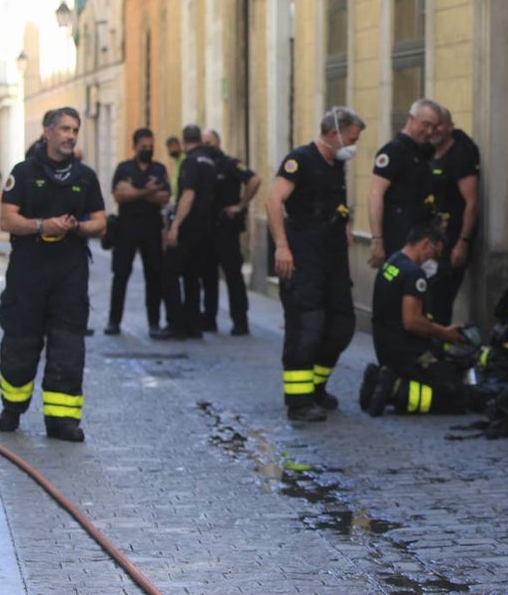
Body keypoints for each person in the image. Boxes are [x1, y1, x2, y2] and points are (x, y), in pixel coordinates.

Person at [0, 107, 107, 442]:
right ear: (48, 132)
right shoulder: (24, 173)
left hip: (69, 277)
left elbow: (101, 222)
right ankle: (12, 408)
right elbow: (7, 220)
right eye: (65, 129)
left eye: (75, 130)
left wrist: (77, 227)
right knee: (19, 343)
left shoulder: (85, 177)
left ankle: (62, 420)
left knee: (68, 348)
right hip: (28, 276)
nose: (71, 135)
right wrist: (43, 225)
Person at [265, 106, 365, 422]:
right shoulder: (300, 160)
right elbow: (273, 200)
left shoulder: (336, 164)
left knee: (342, 324)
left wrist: (345, 224)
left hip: (332, 255)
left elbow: (335, 201)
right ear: (334, 133)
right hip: (302, 252)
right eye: (352, 138)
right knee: (307, 326)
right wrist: (281, 246)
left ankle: (316, 387)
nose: (354, 145)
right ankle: (299, 402)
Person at [362, 224, 469, 417]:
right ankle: (394, 389)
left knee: (442, 367)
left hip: (386, 348)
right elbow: (412, 322)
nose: (433, 261)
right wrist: (445, 333)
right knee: (455, 395)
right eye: (435, 254)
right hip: (408, 353)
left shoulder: (392, 263)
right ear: (426, 244)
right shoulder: (413, 274)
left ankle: (382, 378)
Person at [105, 128, 171, 337]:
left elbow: (165, 196)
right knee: (121, 275)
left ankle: (154, 323)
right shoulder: (124, 168)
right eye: (144, 147)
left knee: (154, 276)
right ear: (134, 147)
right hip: (127, 228)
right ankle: (114, 322)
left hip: (152, 228)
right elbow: (119, 194)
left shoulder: (159, 169)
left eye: (150, 147)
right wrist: (147, 191)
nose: (147, 150)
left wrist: (135, 192)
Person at [158, 124, 217, 339]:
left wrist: (175, 227)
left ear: (184, 142)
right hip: (205, 228)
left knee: (170, 273)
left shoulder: (190, 162)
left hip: (189, 227)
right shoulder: (209, 161)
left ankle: (176, 324)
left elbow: (188, 195)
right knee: (192, 276)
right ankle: (193, 324)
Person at [367, 98, 441, 269]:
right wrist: (377, 240)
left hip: (420, 239)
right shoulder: (393, 152)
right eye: (426, 124)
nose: (430, 131)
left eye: (434, 127)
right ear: (411, 119)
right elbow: (375, 194)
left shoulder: (424, 153)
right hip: (399, 240)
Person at [201, 128, 261, 336]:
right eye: (203, 143)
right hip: (207, 229)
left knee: (233, 276)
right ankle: (209, 319)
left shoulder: (231, 164)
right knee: (208, 277)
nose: (207, 147)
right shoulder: (201, 165)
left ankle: (240, 321)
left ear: (219, 142)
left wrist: (241, 205)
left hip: (227, 229)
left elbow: (254, 180)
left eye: (210, 143)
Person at [425, 106, 480, 324]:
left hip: (452, 239)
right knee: (427, 298)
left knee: (440, 299)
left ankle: (439, 348)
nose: (434, 130)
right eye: (430, 125)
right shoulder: (429, 151)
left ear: (450, 126)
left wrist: (462, 242)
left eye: (439, 124)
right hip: (430, 239)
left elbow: (472, 202)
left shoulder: (460, 155)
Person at [165, 136, 185, 207]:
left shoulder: (184, 159)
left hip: (180, 200)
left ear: (179, 145)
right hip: (173, 200)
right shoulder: (175, 162)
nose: (171, 149)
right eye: (169, 147)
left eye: (173, 146)